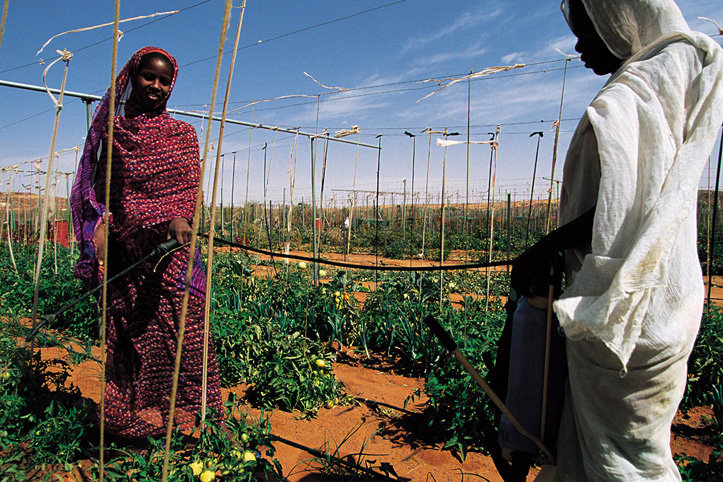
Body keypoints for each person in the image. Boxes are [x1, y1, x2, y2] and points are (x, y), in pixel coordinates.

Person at [511, 0, 723, 480]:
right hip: (663, 309)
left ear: (619, 23)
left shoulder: (632, 96)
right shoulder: (664, 83)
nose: (580, 45)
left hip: (623, 325)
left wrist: (544, 248)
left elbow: (628, 204)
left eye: (588, 32)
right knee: (620, 453)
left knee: (623, 465)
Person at [70, 46, 224, 440]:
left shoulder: (182, 135)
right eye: (148, 77)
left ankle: (193, 414)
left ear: (173, 85)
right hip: (127, 255)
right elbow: (97, 188)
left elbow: (188, 193)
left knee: (188, 325)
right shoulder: (113, 135)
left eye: (164, 80)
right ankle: (134, 418)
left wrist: (177, 217)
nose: (156, 86)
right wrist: (99, 224)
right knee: (132, 337)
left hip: (170, 251)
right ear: (132, 78)